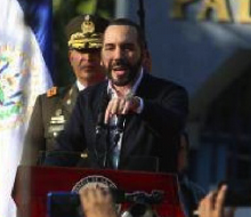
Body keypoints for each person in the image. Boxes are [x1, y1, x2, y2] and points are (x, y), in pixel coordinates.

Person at [47, 18, 189, 172]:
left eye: (127, 48)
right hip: (100, 188)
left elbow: (174, 125)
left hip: (149, 187)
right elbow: (64, 151)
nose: (118, 56)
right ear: (101, 56)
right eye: (110, 48)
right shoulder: (88, 98)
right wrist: (40, 176)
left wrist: (139, 105)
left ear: (143, 54)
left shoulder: (170, 93)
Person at [20, 14, 109, 166]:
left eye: (94, 50)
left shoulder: (120, 102)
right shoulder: (47, 104)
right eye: (81, 50)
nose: (88, 57)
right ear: (70, 57)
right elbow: (29, 167)